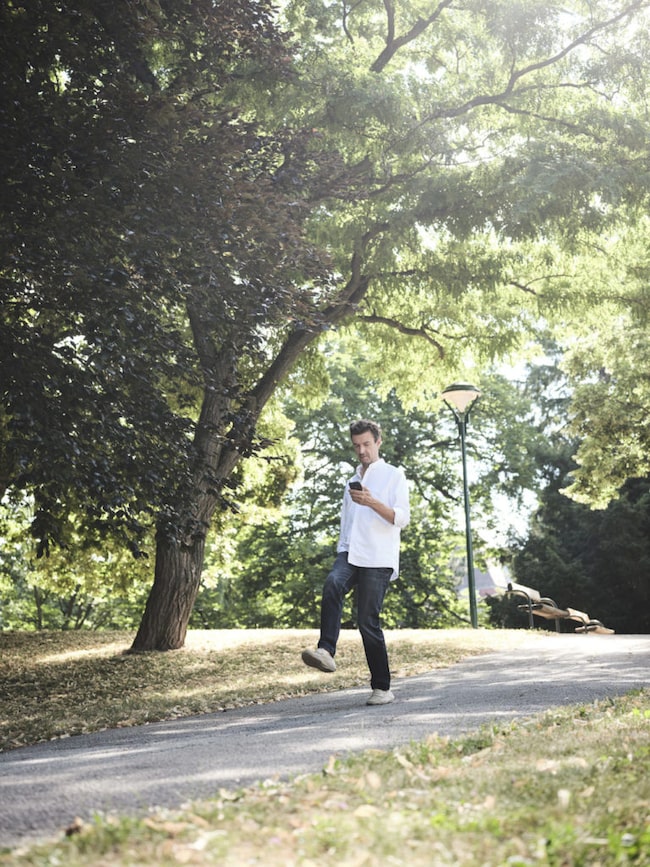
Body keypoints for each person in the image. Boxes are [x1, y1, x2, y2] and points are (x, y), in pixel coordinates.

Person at [301, 419, 410, 706]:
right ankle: (326, 651)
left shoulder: (393, 475)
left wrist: (372, 502)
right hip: (350, 553)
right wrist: (342, 550)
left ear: (378, 442)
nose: (361, 450)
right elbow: (347, 521)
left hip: (378, 557)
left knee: (367, 622)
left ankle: (382, 688)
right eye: (356, 446)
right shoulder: (351, 478)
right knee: (333, 582)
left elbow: (401, 519)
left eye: (366, 444)